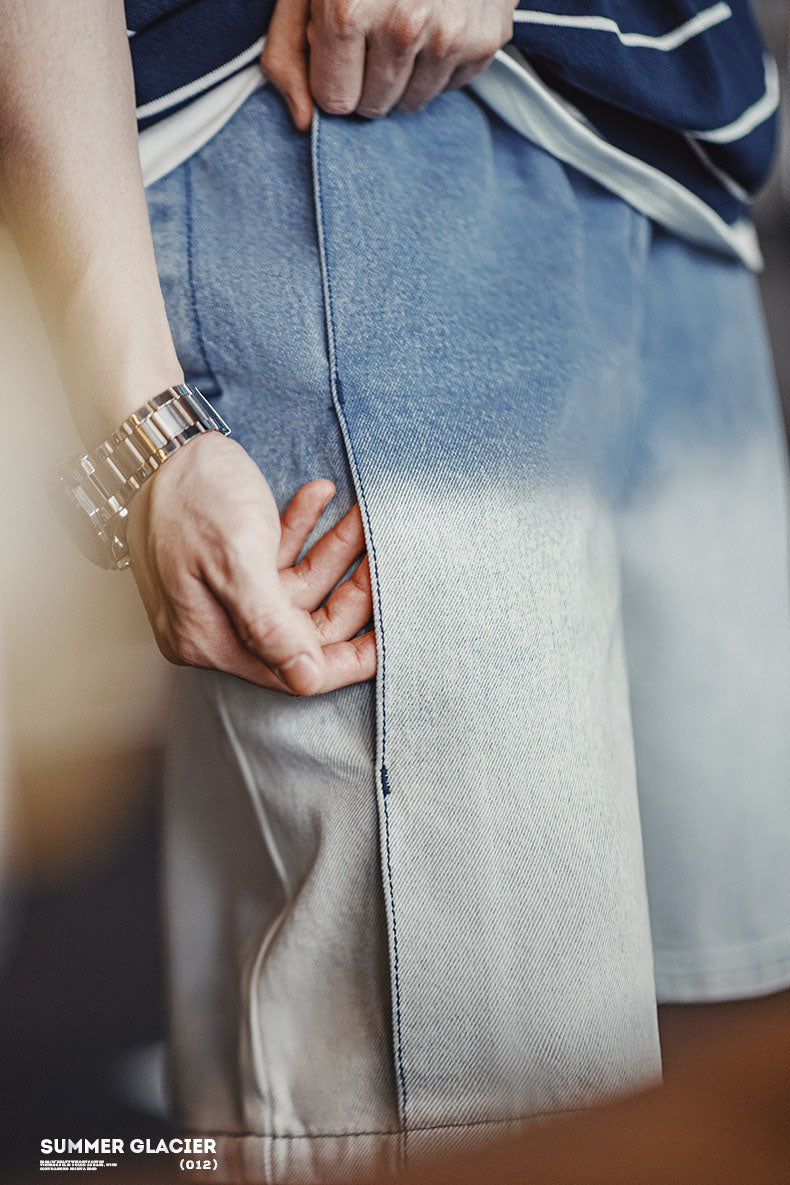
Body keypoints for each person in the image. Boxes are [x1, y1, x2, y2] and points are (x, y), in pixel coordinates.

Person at [1, 1, 789, 1182]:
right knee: (480, 1099)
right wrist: (142, 426)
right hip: (331, 150)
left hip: (667, 157)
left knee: (723, 1037)